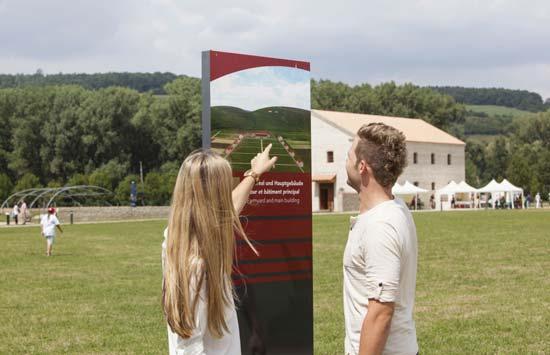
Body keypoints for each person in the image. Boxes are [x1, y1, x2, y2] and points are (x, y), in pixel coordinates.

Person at [162, 145, 277, 355]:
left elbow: (229, 209)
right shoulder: (195, 265)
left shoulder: (176, 238)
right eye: (223, 187)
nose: (227, 192)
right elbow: (189, 348)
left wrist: (254, 174)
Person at [343, 123, 418, 355]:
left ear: (362, 166)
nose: (345, 163)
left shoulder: (381, 225)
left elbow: (381, 313)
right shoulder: (393, 209)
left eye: (348, 156)